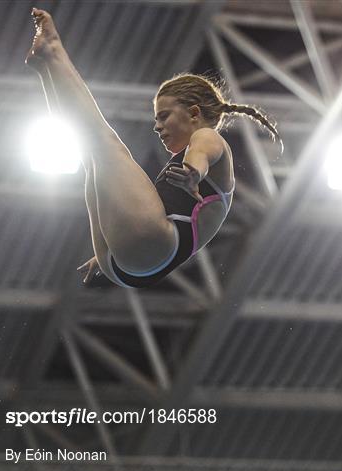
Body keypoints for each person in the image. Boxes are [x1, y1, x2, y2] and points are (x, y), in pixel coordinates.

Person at [26, 8, 282, 289]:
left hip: (152, 247)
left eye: (164, 116)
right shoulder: (194, 148)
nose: (157, 127)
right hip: (129, 262)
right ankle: (45, 70)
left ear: (194, 113)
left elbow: (201, 154)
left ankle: (53, 51)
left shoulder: (208, 136)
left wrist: (194, 173)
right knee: (90, 155)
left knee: (105, 141)